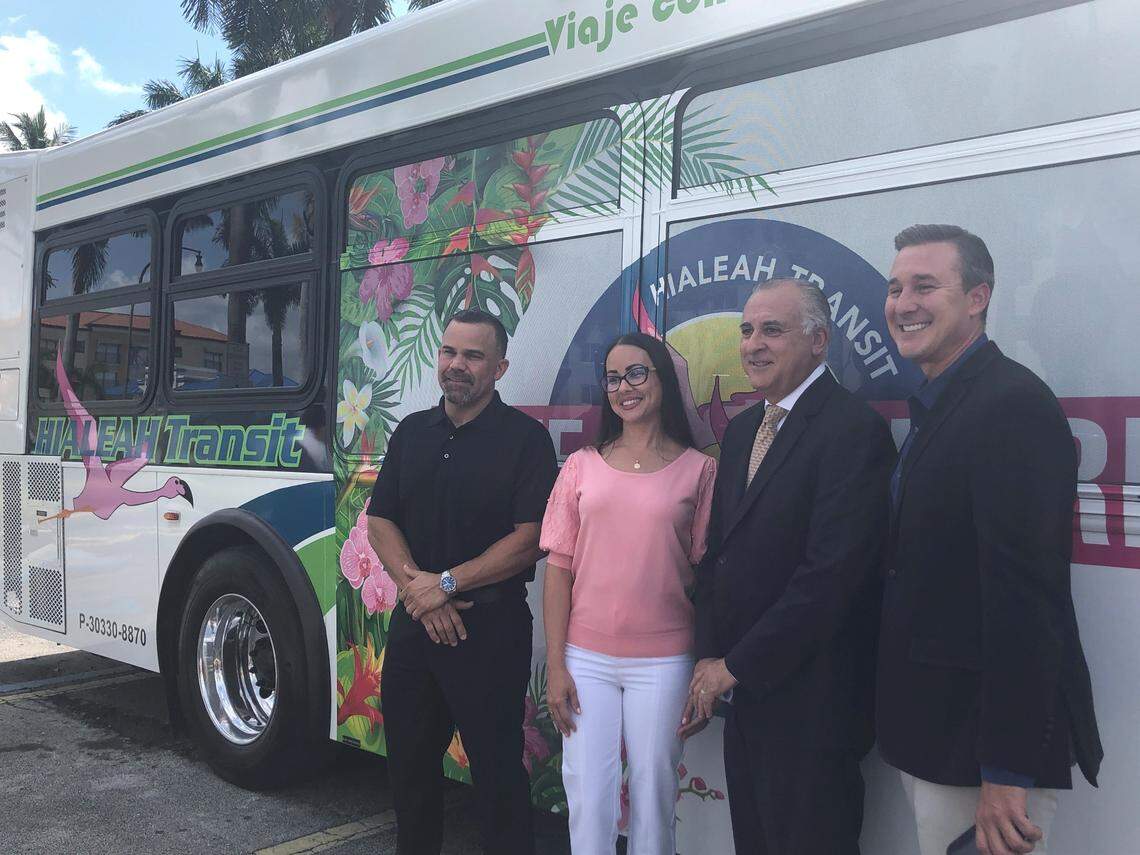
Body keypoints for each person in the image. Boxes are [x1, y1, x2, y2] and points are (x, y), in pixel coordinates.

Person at [877, 224, 1102, 855]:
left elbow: (1028, 602)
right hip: (933, 734)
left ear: (978, 297)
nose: (904, 303)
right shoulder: (942, 405)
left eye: (925, 286)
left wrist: (1006, 772)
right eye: (895, 288)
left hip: (978, 754)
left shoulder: (1011, 408)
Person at [687, 278, 895, 854]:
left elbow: (830, 578)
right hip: (747, 699)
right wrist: (709, 655)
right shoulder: (744, 432)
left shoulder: (855, 432)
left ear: (819, 341)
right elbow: (719, 555)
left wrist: (736, 665)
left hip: (815, 707)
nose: (753, 344)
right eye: (747, 330)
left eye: (771, 330)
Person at [366, 308, 558, 855]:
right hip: (415, 631)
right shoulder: (411, 432)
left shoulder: (526, 440)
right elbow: (381, 521)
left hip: (490, 634)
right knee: (409, 773)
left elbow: (531, 537)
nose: (457, 364)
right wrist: (420, 592)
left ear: (499, 368)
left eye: (473, 355)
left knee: (498, 777)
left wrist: (445, 584)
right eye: (449, 351)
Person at [540, 331, 717, 855]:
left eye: (637, 373)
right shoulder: (581, 466)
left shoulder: (700, 470)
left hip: (664, 662)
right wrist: (556, 665)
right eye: (614, 378)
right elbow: (559, 569)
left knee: (655, 797)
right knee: (588, 799)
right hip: (585, 659)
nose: (625, 387)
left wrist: (707, 665)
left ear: (661, 379)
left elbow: (710, 577)